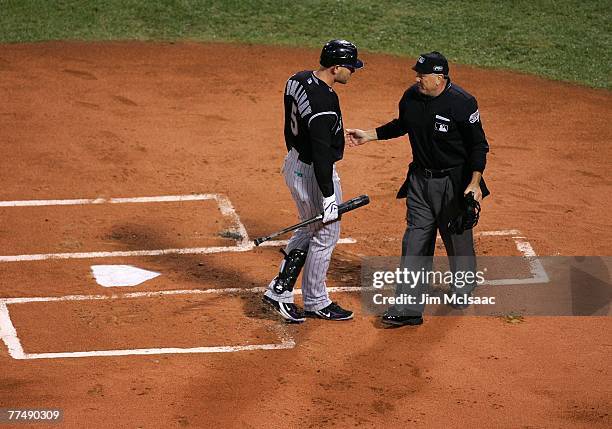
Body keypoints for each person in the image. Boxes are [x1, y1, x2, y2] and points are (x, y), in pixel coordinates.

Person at [346, 51, 490, 326]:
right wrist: (371, 135)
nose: (417, 79)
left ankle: (464, 285)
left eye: (422, 75)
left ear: (439, 78)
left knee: (456, 240)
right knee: (414, 242)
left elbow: (478, 146)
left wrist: (474, 183)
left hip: (454, 183)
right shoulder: (412, 96)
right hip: (420, 182)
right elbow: (403, 124)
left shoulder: (462, 103)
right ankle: (408, 307)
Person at [262, 39, 364, 323]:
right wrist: (329, 197)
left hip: (295, 160)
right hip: (313, 172)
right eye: (350, 67)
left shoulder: (297, 79)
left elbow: (293, 126)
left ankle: (282, 290)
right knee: (324, 233)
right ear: (335, 67)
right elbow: (322, 158)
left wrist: (320, 141)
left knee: (309, 229)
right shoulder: (324, 103)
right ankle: (309, 299)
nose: (352, 71)